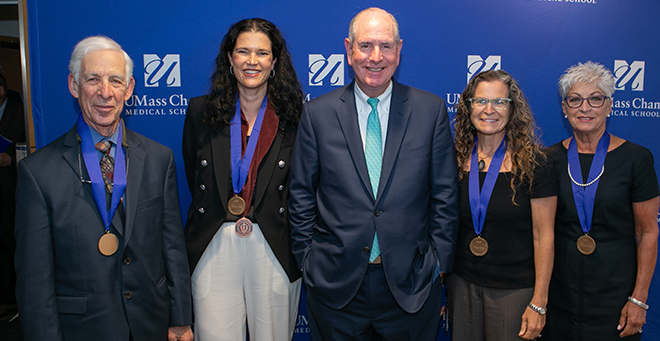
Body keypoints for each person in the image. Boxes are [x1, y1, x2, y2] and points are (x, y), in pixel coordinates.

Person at [289, 7, 459, 340]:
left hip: (411, 285)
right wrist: (308, 261)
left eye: (386, 46)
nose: (376, 57)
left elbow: (445, 195)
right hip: (335, 285)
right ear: (349, 50)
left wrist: (437, 264)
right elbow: (301, 193)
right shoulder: (317, 114)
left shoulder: (430, 110)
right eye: (365, 46)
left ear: (399, 50)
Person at [14, 36, 193, 341]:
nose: (105, 93)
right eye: (93, 79)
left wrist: (180, 319)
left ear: (130, 88)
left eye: (115, 80)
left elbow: (172, 248)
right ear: (74, 85)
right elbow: (35, 282)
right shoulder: (38, 172)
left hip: (150, 324)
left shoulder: (158, 159)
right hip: (82, 330)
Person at [182, 18, 303, 341]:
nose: (252, 61)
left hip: (275, 246)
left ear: (274, 62)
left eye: (262, 53)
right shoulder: (200, 112)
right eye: (243, 52)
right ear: (229, 58)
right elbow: (194, 175)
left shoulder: (296, 117)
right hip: (213, 245)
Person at [543, 61, 659, 340]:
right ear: (564, 108)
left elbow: (648, 232)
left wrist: (638, 299)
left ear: (609, 106)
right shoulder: (548, 160)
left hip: (616, 297)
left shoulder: (636, 159)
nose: (585, 108)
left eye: (596, 99)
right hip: (560, 295)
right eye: (575, 100)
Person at [448, 70, 556, 341]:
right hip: (461, 285)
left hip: (514, 291)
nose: (489, 110)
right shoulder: (452, 161)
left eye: (499, 102)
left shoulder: (535, 164)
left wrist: (539, 301)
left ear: (512, 109)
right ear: (469, 107)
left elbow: (544, 236)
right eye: (481, 101)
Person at [0, 72, 25, 318]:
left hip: (11, 191)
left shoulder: (21, 112)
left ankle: (15, 302)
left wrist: (12, 160)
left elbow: (29, 148)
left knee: (13, 244)